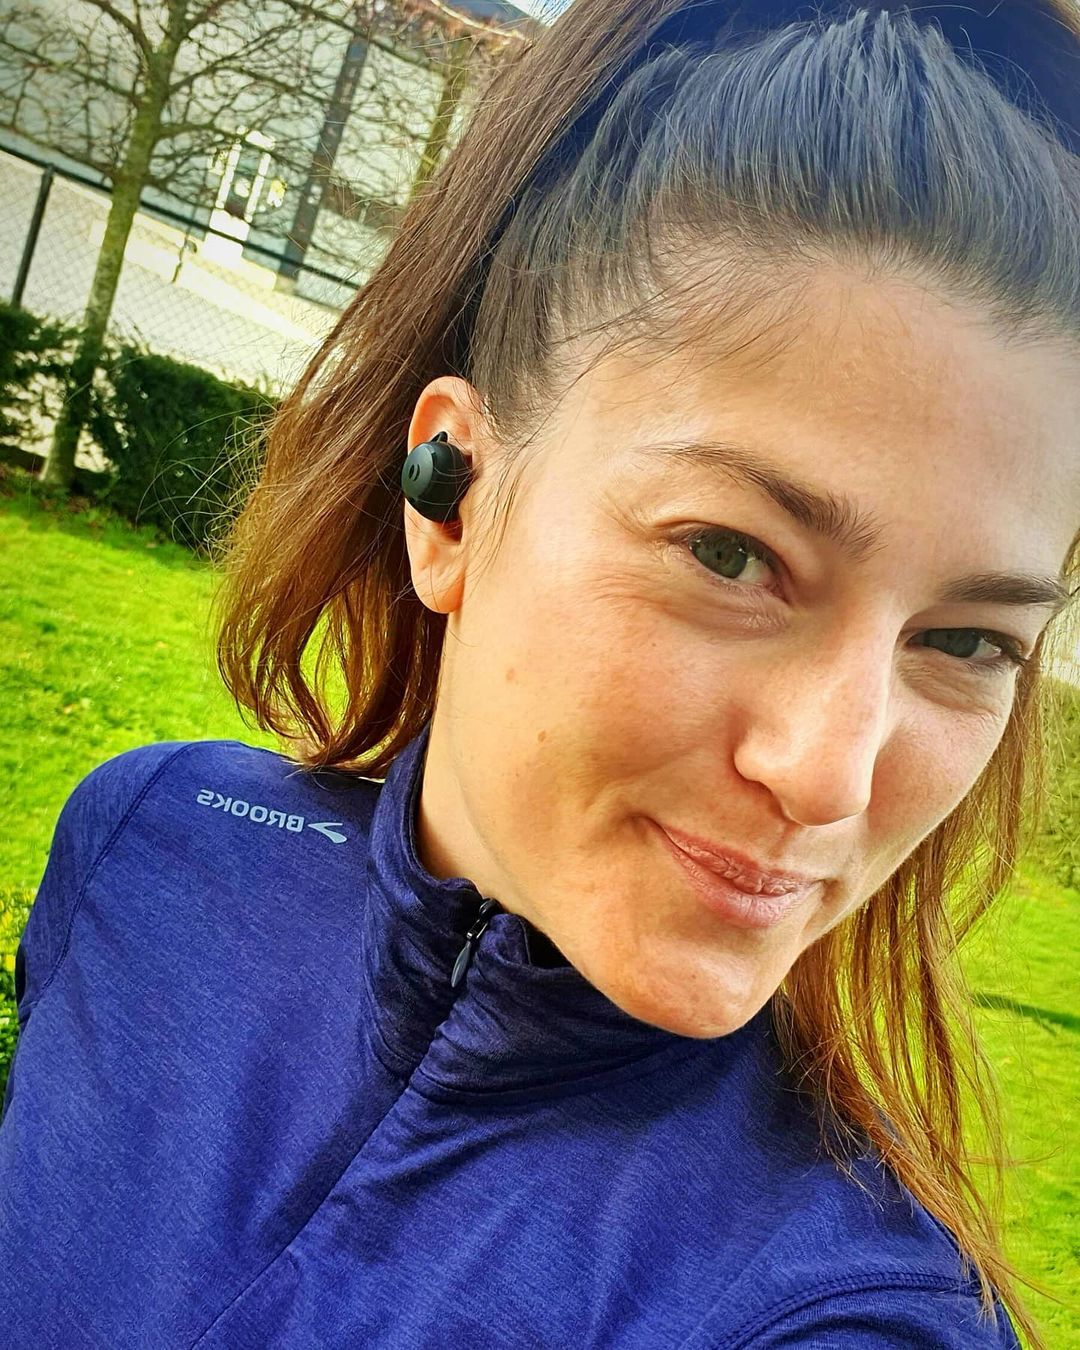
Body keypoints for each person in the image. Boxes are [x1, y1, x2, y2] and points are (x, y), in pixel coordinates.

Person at [3, 0, 1079, 1344]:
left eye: (968, 641)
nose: (829, 776)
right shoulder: (147, 848)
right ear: (449, 498)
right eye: (732, 555)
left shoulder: (843, 1314)